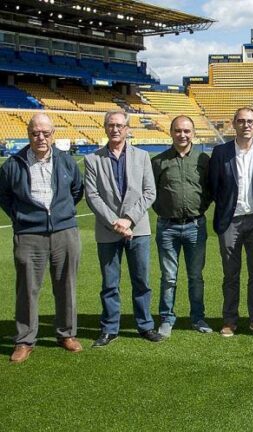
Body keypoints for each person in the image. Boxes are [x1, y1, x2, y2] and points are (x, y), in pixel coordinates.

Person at [0, 114, 84, 363]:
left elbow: (76, 190)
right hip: (29, 234)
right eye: (36, 133)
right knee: (27, 288)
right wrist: (20, 218)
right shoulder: (13, 165)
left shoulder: (66, 161)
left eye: (46, 133)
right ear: (28, 133)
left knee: (66, 286)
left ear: (53, 134)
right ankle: (25, 340)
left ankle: (66, 334)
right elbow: (3, 195)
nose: (41, 138)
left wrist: (61, 214)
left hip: (64, 232)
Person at [84, 110, 163, 347]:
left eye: (119, 125)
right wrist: (115, 222)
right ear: (105, 127)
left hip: (138, 229)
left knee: (141, 281)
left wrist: (128, 219)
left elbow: (150, 192)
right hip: (108, 231)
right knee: (109, 283)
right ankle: (109, 328)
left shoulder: (142, 156)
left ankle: (145, 325)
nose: (115, 129)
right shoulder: (92, 159)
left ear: (127, 128)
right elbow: (92, 196)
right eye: (111, 125)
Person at [209, 108, 253, 337]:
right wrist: (227, 206)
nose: (246, 125)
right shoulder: (221, 152)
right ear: (234, 124)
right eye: (241, 121)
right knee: (231, 274)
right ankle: (229, 320)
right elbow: (214, 186)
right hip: (230, 221)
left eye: (250, 122)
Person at [151, 115, 212, 337]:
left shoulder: (203, 159)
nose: (182, 135)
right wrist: (164, 210)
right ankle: (167, 318)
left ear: (193, 133)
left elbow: (209, 190)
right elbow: (151, 192)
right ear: (171, 132)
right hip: (167, 227)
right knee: (168, 277)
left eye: (186, 131)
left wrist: (200, 208)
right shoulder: (159, 161)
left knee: (196, 275)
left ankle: (197, 317)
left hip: (196, 226)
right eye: (178, 130)